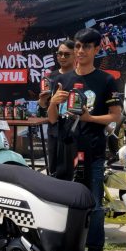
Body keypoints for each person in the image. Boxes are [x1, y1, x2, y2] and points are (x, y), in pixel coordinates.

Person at [48, 28, 122, 251]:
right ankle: (62, 244)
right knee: (63, 200)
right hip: (66, 149)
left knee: (94, 202)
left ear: (96, 49)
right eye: (78, 46)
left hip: (93, 150)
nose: (81, 51)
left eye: (86, 47)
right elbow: (52, 119)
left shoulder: (106, 80)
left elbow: (115, 115)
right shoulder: (61, 79)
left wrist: (90, 118)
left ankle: (95, 250)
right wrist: (52, 103)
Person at [37, 40, 75, 175]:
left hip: (74, 131)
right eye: (60, 54)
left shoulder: (80, 76)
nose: (62, 57)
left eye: (67, 54)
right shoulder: (50, 77)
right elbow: (43, 109)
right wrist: (42, 101)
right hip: (54, 131)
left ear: (75, 55)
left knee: (74, 171)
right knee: (54, 171)